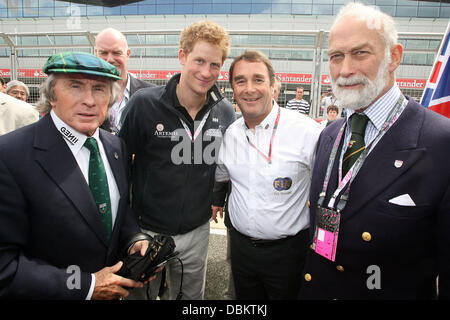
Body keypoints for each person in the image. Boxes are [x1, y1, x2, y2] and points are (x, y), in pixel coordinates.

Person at [299, 3, 450, 300]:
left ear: (394, 56)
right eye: (336, 57)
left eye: (360, 53)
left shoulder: (441, 142)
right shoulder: (329, 134)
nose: (345, 70)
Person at [0, 52, 151, 299]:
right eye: (75, 87)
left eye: (99, 89)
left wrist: (134, 238)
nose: (89, 100)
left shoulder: (115, 147)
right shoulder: (9, 155)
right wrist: (86, 286)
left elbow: (116, 211)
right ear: (52, 95)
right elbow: (5, 267)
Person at [119, 20, 235, 300]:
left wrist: (217, 198)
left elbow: (223, 168)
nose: (206, 72)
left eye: (215, 65)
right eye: (199, 60)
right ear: (182, 56)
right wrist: (128, 228)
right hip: (146, 230)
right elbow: (119, 165)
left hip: (197, 231)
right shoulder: (144, 104)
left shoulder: (226, 112)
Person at [212, 50, 321, 299]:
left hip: (288, 255)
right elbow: (222, 175)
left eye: (258, 79)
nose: (249, 88)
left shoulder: (307, 132)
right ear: (232, 89)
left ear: (274, 85)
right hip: (240, 251)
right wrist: (217, 198)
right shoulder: (230, 134)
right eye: (241, 81)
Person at [95, 27, 155, 134]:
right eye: (103, 53)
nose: (109, 59)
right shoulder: (85, 96)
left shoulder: (152, 95)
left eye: (116, 53)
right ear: (96, 53)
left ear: (128, 54)